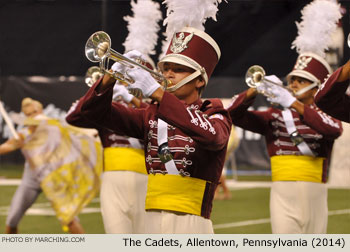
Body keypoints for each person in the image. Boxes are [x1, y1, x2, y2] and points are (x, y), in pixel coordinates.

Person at [76, 26, 231, 233]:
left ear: (199, 79)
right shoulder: (150, 114)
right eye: (166, 68)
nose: (168, 74)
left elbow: (213, 137)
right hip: (150, 218)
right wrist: (111, 76)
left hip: (192, 221)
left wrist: (158, 94)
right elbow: (91, 113)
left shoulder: (214, 112)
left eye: (178, 69)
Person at [227, 52, 343, 233]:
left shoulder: (326, 115)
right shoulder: (274, 116)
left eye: (301, 80)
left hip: (316, 192)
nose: (293, 84)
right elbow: (232, 115)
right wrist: (255, 89)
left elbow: (334, 130)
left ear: (316, 88)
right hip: (282, 194)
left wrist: (293, 104)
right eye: (292, 79)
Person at [0, 97, 102, 234]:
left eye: (34, 112)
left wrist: (91, 133)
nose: (33, 116)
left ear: (41, 111)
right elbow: (6, 147)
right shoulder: (23, 135)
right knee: (12, 219)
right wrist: (16, 144)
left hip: (53, 179)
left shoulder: (54, 127)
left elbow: (76, 132)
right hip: (31, 179)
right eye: (28, 114)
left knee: (69, 218)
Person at [66, 79, 148, 233]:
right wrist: (100, 91)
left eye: (127, 80)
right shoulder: (108, 109)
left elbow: (161, 121)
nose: (123, 85)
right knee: (116, 236)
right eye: (120, 80)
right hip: (112, 177)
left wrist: (132, 99)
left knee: (144, 237)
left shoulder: (146, 104)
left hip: (145, 179)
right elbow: (73, 116)